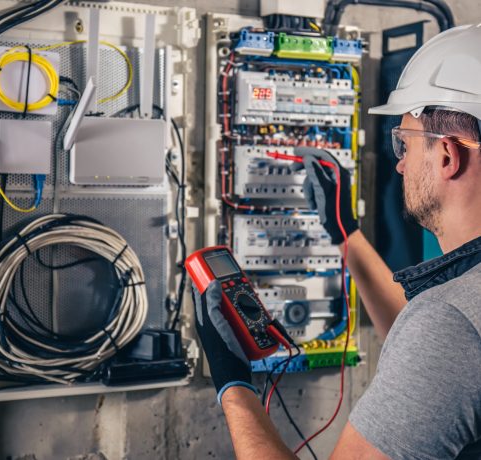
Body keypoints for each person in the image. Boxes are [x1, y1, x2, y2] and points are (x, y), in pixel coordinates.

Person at [193, 24, 481, 459]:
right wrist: (345, 234)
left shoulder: (450, 324)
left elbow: (442, 341)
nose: (400, 166)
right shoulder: (459, 317)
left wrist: (233, 386)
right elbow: (438, 357)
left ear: (446, 155)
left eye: (404, 144)